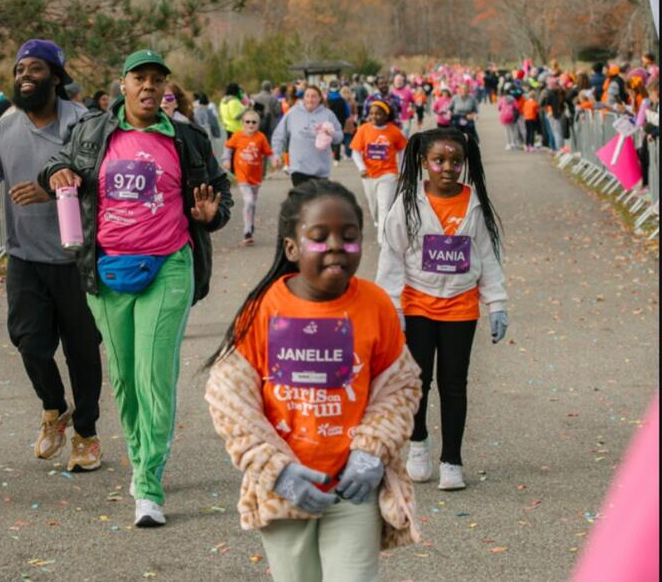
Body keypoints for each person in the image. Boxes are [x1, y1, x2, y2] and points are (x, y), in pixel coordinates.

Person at [40, 49, 232, 527]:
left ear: (165, 89)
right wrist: (54, 174)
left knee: (153, 374)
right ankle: (141, 454)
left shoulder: (186, 138)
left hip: (169, 265)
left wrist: (212, 215)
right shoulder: (92, 131)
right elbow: (59, 165)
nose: (149, 86)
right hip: (107, 270)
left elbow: (219, 192)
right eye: (140, 78)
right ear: (123, 84)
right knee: (125, 379)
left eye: (157, 80)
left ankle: (148, 484)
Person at [205, 179, 422, 581]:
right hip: (284, 493)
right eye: (320, 237)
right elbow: (229, 399)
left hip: (353, 489)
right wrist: (277, 470)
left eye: (349, 236)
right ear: (292, 248)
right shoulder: (262, 309)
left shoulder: (376, 306)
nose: (336, 245)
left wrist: (371, 453)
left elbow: (399, 386)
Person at [0, 40, 104, 474]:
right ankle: (54, 408)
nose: (24, 76)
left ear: (56, 77)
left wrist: (53, 189)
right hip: (25, 259)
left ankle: (86, 434)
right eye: (19, 69)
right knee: (29, 343)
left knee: (83, 351)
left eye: (35, 68)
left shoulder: (83, 123)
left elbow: (102, 180)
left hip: (78, 259)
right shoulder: (5, 129)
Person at [377, 127, 507, 491]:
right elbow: (392, 255)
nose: (448, 168)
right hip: (417, 305)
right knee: (418, 381)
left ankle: (452, 460)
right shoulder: (407, 204)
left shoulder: (474, 204)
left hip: (461, 308)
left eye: (456, 161)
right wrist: (392, 306)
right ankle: (418, 444)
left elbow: (487, 255)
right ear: (423, 162)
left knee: (454, 384)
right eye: (439, 160)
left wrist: (497, 302)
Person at [350, 101, 407, 246]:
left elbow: (403, 150)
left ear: (386, 115)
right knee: (374, 206)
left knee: (384, 206)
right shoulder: (363, 129)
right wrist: (361, 168)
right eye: (371, 113)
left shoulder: (394, 131)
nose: (374, 116)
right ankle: (377, 221)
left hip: (388, 174)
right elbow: (355, 151)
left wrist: (401, 169)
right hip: (368, 175)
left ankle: (383, 241)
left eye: (378, 113)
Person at [270, 85, 344, 187]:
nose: (310, 99)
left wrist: (331, 133)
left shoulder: (328, 115)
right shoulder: (293, 113)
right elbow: (279, 135)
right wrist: (276, 154)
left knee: (318, 197)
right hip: (298, 168)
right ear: (303, 98)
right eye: (307, 96)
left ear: (320, 98)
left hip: (320, 169)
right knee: (303, 197)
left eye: (314, 96)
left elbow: (339, 137)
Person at [223, 109, 272, 245]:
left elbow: (268, 152)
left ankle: (250, 225)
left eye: (254, 122)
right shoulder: (237, 136)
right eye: (248, 122)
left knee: (252, 204)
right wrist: (226, 159)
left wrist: (275, 160)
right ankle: (247, 230)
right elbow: (228, 147)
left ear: (258, 124)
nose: (251, 124)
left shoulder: (261, 137)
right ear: (242, 123)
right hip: (242, 176)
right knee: (249, 201)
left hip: (256, 177)